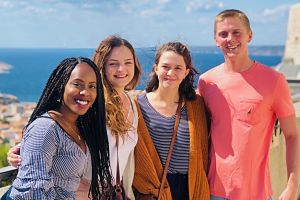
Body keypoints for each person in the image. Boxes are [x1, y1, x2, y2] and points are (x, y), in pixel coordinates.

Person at [7, 36, 142, 199]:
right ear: (102, 66)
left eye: (128, 62)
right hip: (82, 191)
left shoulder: (132, 103)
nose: (121, 69)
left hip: (110, 190)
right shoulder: (90, 107)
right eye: (113, 63)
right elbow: (49, 133)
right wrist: (19, 150)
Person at [198, 9, 300, 200]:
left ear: (249, 36)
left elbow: (292, 135)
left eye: (236, 32)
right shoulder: (206, 81)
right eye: (223, 34)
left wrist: (292, 186)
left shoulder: (274, 80)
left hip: (256, 194)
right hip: (212, 192)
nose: (230, 38)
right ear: (216, 40)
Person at [3, 57, 112, 199]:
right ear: (61, 86)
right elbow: (33, 192)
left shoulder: (79, 127)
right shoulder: (46, 128)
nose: (85, 92)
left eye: (92, 86)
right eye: (77, 84)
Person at [133, 42, 210, 199]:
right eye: (165, 67)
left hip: (191, 188)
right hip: (154, 191)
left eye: (178, 68)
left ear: (186, 72)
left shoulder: (196, 105)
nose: (170, 72)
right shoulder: (137, 104)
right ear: (156, 68)